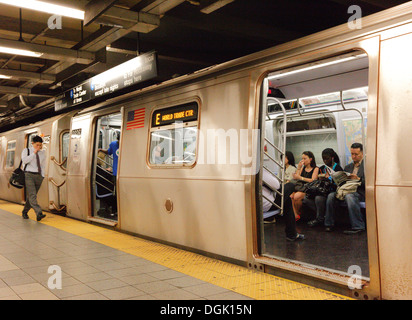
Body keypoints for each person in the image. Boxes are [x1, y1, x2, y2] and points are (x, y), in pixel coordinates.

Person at [324, 143, 366, 234]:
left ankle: (358, 226)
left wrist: (358, 179)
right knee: (331, 196)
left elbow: (369, 183)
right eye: (352, 154)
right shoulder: (348, 167)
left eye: (356, 154)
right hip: (345, 189)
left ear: (362, 154)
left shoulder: (367, 167)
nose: (353, 157)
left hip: (359, 191)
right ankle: (328, 224)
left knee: (349, 196)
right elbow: (343, 182)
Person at [304, 148, 343, 227]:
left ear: (332, 158)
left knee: (324, 198)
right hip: (323, 190)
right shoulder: (322, 168)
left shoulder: (338, 168)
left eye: (327, 159)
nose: (325, 161)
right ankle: (322, 216)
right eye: (323, 159)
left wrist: (329, 179)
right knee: (309, 199)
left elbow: (340, 184)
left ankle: (324, 220)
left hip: (333, 190)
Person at [262, 169, 304, 241]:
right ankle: (291, 234)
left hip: (261, 203)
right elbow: (276, 185)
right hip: (269, 204)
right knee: (290, 185)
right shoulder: (260, 170)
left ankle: (292, 234)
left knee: (287, 200)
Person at [21, 135, 46, 221]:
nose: (39, 147)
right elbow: (25, 160)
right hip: (29, 175)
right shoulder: (26, 151)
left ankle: (25, 211)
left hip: (39, 176)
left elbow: (43, 165)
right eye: (37, 145)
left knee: (31, 197)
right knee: (32, 195)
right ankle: (39, 212)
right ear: (32, 143)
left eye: (40, 145)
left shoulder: (43, 153)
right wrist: (34, 153)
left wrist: (43, 175)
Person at [290, 151, 319, 221]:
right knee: (290, 196)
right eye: (302, 159)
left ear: (310, 159)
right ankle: (296, 215)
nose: (303, 160)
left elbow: (313, 180)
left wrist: (301, 178)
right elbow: (296, 177)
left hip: (308, 189)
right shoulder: (302, 168)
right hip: (300, 187)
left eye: (305, 158)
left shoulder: (315, 168)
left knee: (297, 196)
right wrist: (299, 168)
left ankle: (298, 214)